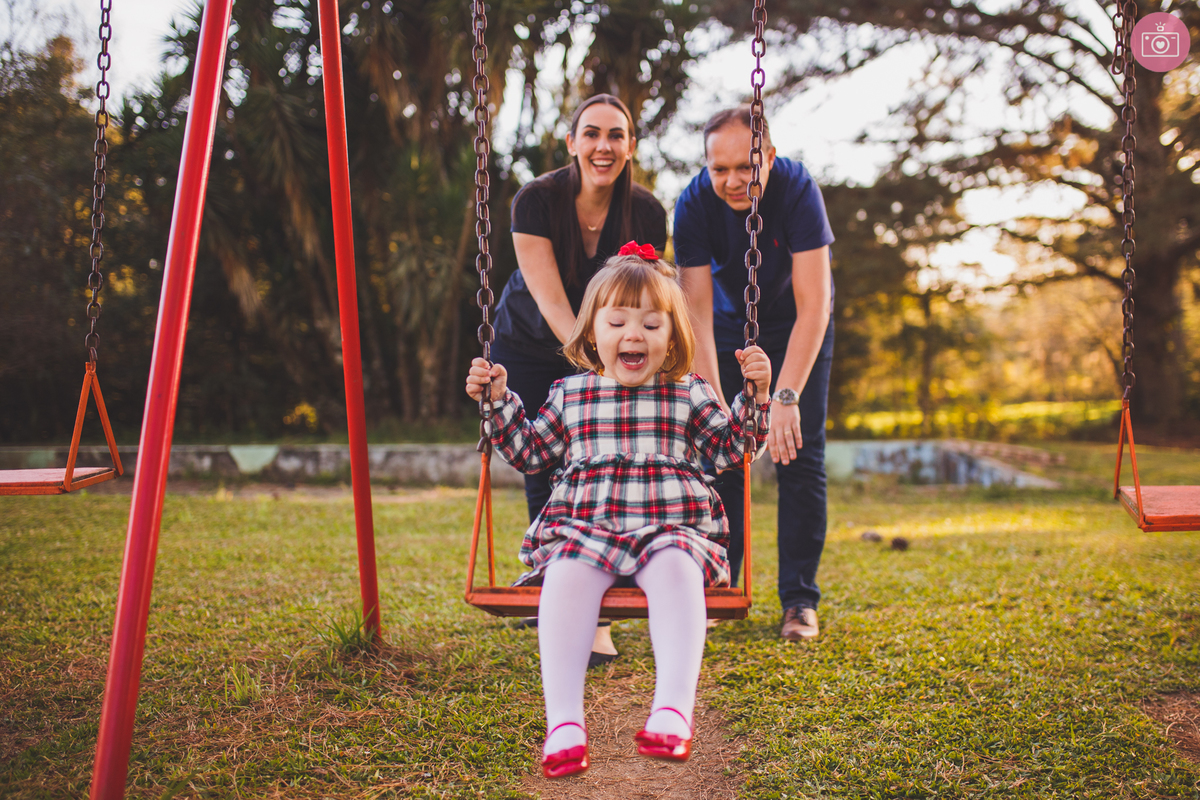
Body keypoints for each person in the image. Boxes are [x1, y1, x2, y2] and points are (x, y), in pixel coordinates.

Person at [466, 250, 771, 778]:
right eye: (618, 322)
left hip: (670, 526)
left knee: (678, 568)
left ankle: (672, 711)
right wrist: (497, 401)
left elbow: (733, 450)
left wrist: (755, 396)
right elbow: (530, 453)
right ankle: (564, 724)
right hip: (587, 526)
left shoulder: (688, 391)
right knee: (565, 573)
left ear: (672, 338)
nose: (635, 334)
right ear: (592, 333)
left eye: (652, 324)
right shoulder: (570, 394)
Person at [492, 93, 668, 664]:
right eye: (591, 133)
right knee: (543, 464)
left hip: (607, 346)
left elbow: (643, 297)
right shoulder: (536, 200)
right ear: (571, 142)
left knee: (601, 465)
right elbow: (549, 297)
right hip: (531, 340)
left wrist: (625, 355)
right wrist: (593, 358)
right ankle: (555, 582)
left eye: (616, 135)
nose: (603, 146)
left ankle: (597, 616)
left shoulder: (646, 213)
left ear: (630, 146)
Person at [674, 106, 835, 643]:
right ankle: (721, 588)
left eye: (746, 166)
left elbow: (815, 305)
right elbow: (694, 314)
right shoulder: (693, 203)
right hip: (726, 330)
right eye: (719, 169)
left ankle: (799, 601)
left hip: (798, 324)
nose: (733, 181)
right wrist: (714, 402)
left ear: (769, 156)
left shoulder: (797, 188)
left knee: (798, 454)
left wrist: (785, 397)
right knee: (725, 458)